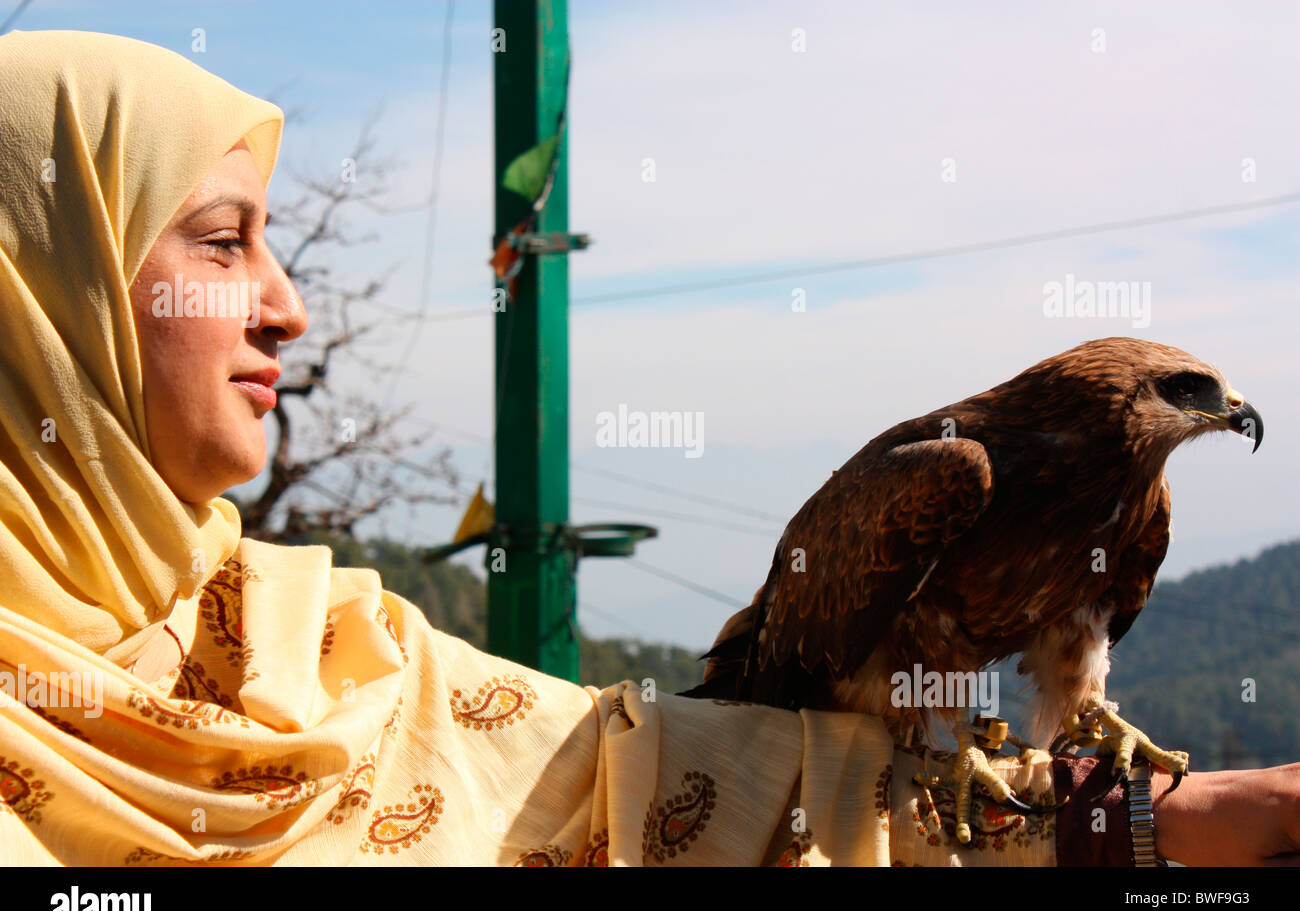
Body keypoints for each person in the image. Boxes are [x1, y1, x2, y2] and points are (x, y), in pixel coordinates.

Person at [0, 29, 1295, 867]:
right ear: (40, 293)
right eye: (223, 242)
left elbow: (707, 787)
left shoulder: (334, 654)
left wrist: (1155, 821)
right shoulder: (946, 470)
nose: (287, 302)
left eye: (275, 243)